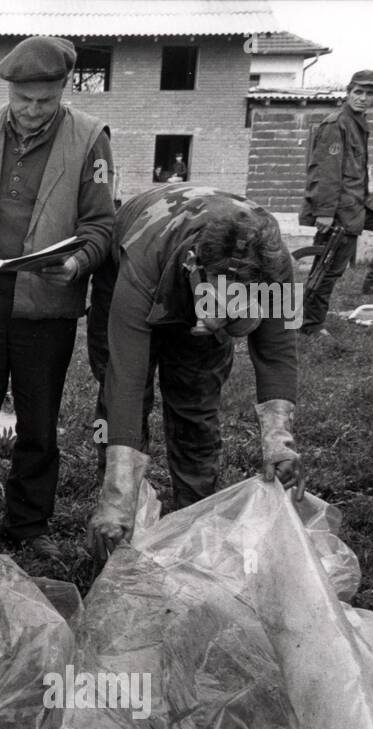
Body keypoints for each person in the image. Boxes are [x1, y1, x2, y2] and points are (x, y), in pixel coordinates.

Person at [0, 36, 114, 561]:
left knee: (39, 422)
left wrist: (78, 263)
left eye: (46, 100)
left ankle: (28, 525)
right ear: (9, 91)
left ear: (63, 89)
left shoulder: (90, 139)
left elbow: (101, 224)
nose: (34, 112)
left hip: (46, 309)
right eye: (24, 100)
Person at [85, 184, 302, 560]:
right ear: (194, 268)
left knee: (196, 404)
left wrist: (279, 440)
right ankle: (120, 521)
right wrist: (118, 493)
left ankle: (195, 526)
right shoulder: (146, 255)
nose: (213, 313)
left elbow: (277, 350)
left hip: (203, 283)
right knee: (118, 398)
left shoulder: (275, 267)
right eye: (213, 299)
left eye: (235, 306)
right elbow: (127, 377)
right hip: (132, 266)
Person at [299, 69, 373, 337]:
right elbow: (324, 172)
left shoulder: (357, 122)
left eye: (369, 93)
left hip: (359, 204)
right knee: (327, 269)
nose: (363, 97)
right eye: (358, 92)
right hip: (338, 211)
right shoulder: (335, 124)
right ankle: (308, 326)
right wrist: (324, 213)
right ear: (348, 93)